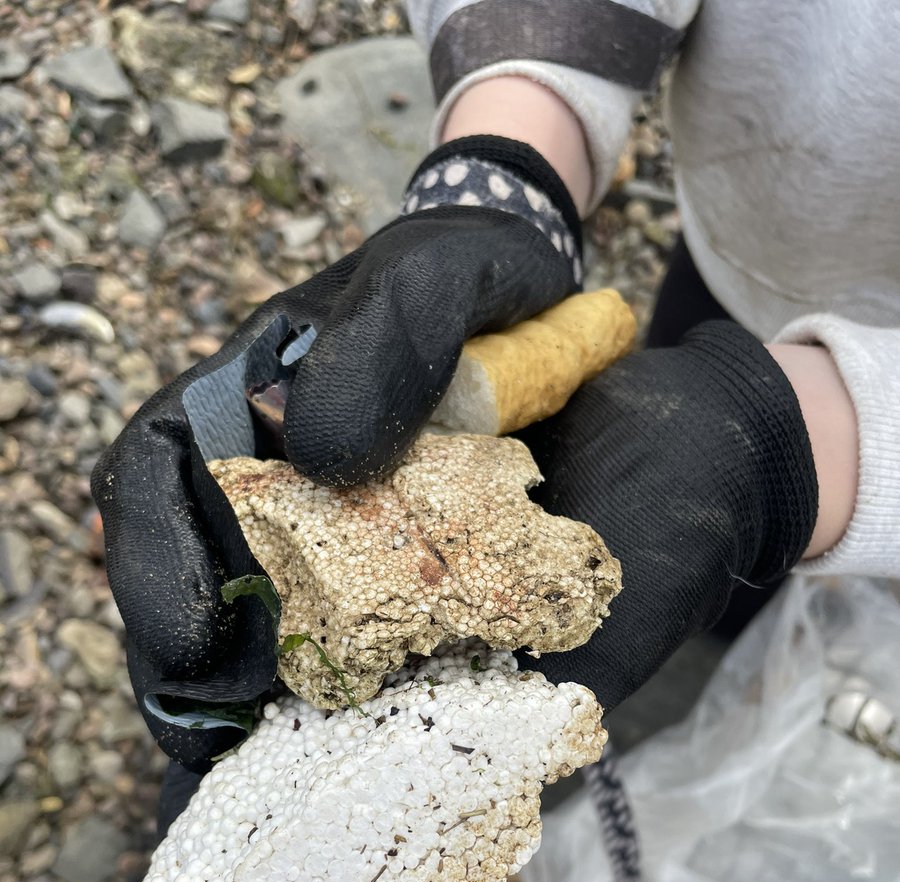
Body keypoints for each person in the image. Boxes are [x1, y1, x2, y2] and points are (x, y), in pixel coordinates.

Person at [92, 0, 900, 832]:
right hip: (759, 220)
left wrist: (838, 433)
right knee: (689, 448)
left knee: (729, 511)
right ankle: (710, 625)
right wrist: (509, 166)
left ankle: (720, 643)